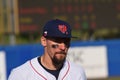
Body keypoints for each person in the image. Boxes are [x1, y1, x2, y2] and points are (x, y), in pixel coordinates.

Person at [8, 19, 87, 80]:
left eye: (66, 42)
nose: (63, 47)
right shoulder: (21, 75)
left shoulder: (77, 73)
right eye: (57, 41)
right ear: (44, 41)